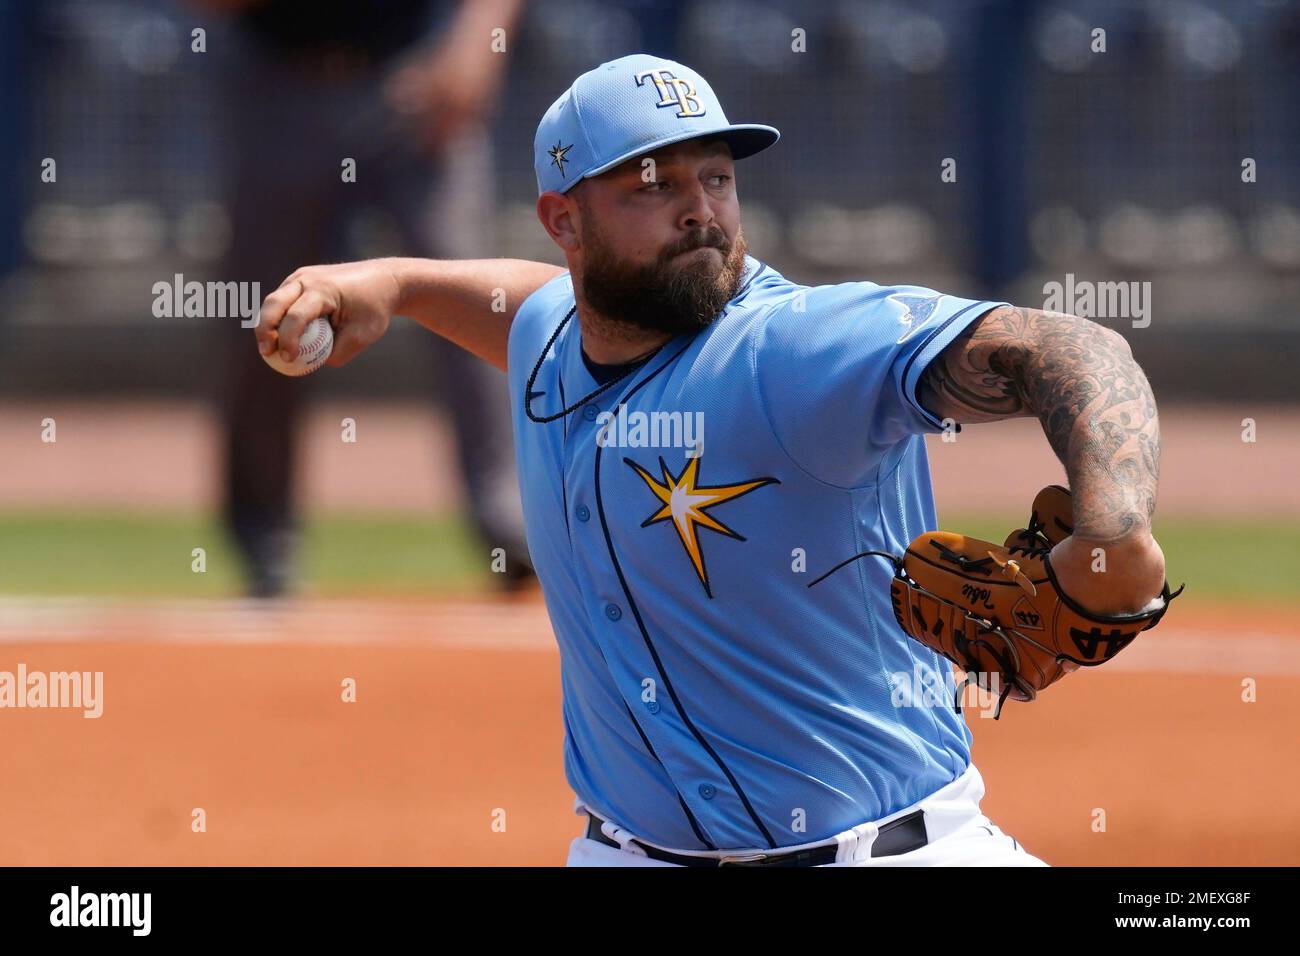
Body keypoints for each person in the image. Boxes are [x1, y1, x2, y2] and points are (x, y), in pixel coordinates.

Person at [253, 55, 1170, 866]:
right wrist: (391, 284)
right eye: (653, 186)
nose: (699, 209)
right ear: (563, 224)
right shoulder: (553, 338)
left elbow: (1076, 350)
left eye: (717, 177)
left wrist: (1115, 528)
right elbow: (526, 307)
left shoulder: (798, 350)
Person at [197, 0, 532, 595]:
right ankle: (263, 542)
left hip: (414, 74)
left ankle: (515, 524)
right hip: (276, 83)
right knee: (268, 311)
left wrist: (477, 43)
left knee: (474, 288)